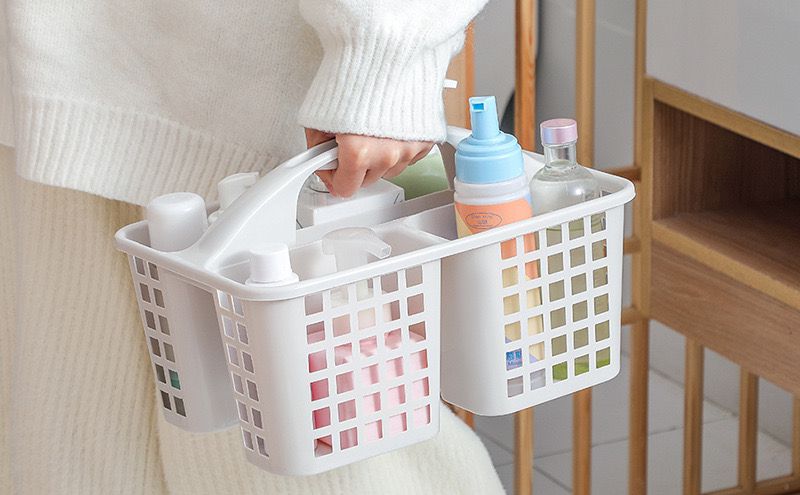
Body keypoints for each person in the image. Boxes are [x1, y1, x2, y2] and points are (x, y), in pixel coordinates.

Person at [1, 1, 505, 493]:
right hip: (48, 86)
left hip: (255, 111)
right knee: (74, 425)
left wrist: (384, 59)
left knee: (334, 435)